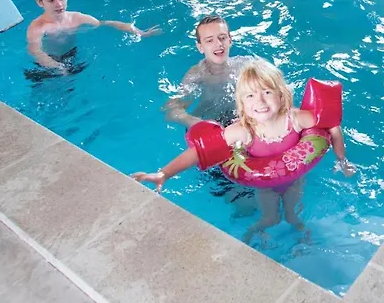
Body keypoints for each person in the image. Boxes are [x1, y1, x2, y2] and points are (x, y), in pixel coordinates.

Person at [132, 59, 356, 243]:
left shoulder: (295, 119)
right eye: (250, 96)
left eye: (266, 92)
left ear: (281, 95)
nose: (260, 101)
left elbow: (330, 126)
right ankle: (253, 232)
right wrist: (164, 173)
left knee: (292, 213)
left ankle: (300, 231)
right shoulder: (243, 131)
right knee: (270, 217)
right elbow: (199, 152)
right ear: (242, 104)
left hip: (295, 179)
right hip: (265, 186)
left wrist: (342, 159)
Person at [26, 0, 161, 74]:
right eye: (51, 0)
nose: (59, 4)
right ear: (40, 2)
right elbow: (35, 51)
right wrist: (57, 67)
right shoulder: (38, 27)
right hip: (47, 63)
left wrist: (140, 32)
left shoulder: (77, 18)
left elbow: (106, 23)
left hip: (71, 55)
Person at [163, 15, 252, 128]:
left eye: (222, 38)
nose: (218, 44)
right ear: (200, 47)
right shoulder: (196, 75)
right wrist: (191, 120)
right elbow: (172, 109)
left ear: (230, 41)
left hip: (244, 118)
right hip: (211, 122)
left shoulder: (245, 66)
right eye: (209, 40)